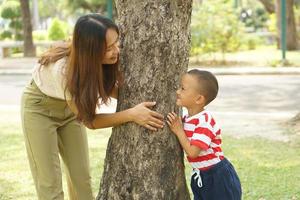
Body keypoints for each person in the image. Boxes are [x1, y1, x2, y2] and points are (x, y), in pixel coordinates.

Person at [20, 14, 164, 200]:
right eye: (108, 48)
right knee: (49, 183)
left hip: (70, 110)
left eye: (116, 43)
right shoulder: (64, 71)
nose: (116, 51)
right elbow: (91, 121)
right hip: (39, 109)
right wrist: (131, 114)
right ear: (90, 50)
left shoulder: (103, 60)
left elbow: (110, 87)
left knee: (81, 178)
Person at [166, 69, 242, 200]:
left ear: (199, 99)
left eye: (183, 88)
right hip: (201, 174)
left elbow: (193, 152)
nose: (177, 91)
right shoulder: (186, 119)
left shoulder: (204, 121)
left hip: (217, 177)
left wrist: (179, 130)